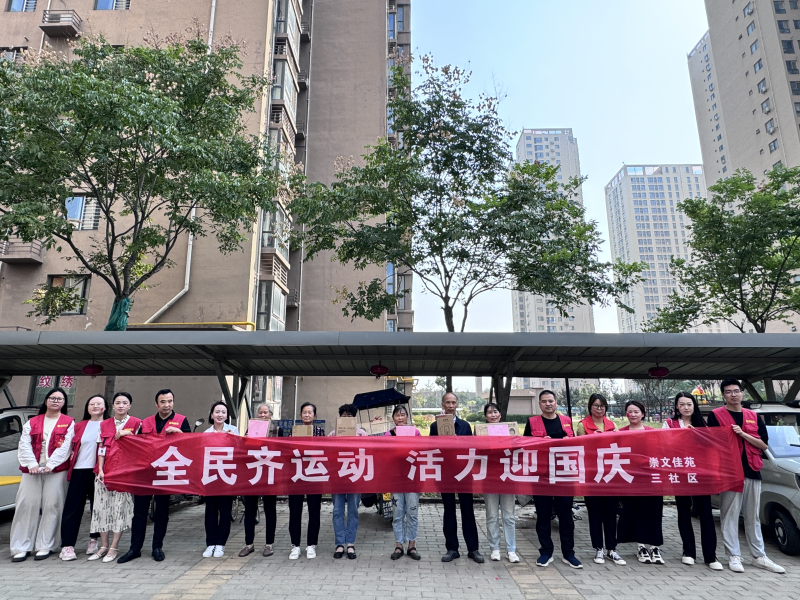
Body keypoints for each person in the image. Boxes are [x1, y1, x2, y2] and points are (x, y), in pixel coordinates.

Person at [707, 379, 785, 574]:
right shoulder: (716, 415)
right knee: (729, 515)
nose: (733, 395)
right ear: (723, 395)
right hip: (729, 472)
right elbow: (711, 444)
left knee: (753, 516)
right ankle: (734, 556)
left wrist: (742, 434)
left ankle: (759, 556)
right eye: (728, 392)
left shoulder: (753, 416)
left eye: (736, 391)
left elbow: (763, 445)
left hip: (752, 470)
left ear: (742, 393)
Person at [117, 389, 191, 563]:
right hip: (145, 472)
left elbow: (190, 444)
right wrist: (124, 435)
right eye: (163, 402)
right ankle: (135, 548)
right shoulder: (146, 422)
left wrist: (180, 434)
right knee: (140, 512)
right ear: (156, 404)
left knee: (162, 511)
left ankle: (157, 547)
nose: (167, 405)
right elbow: (137, 445)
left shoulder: (181, 421)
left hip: (166, 472)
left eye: (170, 401)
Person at [10, 387, 75, 562]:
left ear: (64, 403)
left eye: (60, 399)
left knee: (52, 505)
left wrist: (51, 465)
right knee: (26, 505)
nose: (55, 401)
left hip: (56, 470)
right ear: (46, 400)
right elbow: (24, 444)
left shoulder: (69, 422)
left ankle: (46, 544)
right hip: (31, 470)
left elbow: (66, 446)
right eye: (52, 398)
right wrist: (32, 464)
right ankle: (21, 546)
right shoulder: (32, 422)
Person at [662, 392, 722, 571]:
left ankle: (710, 555)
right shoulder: (669, 424)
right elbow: (663, 445)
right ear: (677, 407)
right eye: (682, 404)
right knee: (683, 511)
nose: (686, 407)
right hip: (679, 473)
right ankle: (688, 551)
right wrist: (681, 435)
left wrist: (698, 435)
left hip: (700, 474)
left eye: (689, 404)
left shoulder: (703, 424)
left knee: (705, 513)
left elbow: (712, 446)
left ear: (694, 405)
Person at [524, 389, 581, 569]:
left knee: (566, 516)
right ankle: (546, 552)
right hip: (542, 475)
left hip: (564, 475)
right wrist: (540, 442)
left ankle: (568, 553)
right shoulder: (532, 422)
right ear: (539, 404)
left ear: (556, 403)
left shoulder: (566, 421)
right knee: (543, 515)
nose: (548, 404)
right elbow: (524, 446)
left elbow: (576, 445)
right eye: (544, 401)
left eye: (551, 401)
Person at [430, 392, 484, 564]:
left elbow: (471, 448)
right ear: (443, 404)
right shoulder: (434, 426)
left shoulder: (465, 425)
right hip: (445, 472)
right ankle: (452, 548)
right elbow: (430, 448)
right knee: (449, 510)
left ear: (457, 405)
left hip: (464, 472)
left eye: (453, 402)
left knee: (467, 510)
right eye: (448, 402)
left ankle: (473, 549)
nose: (451, 406)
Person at [576, 393, 625, 566]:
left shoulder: (612, 424)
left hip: (610, 474)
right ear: (590, 407)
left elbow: (619, 446)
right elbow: (580, 447)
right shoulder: (582, 425)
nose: (599, 409)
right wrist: (593, 438)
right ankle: (598, 548)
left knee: (611, 513)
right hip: (592, 476)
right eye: (596, 406)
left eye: (602, 406)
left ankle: (612, 548)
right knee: (595, 514)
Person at [92, 391, 141, 563]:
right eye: (118, 402)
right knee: (101, 509)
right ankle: (103, 546)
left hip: (124, 473)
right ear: (112, 406)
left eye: (125, 403)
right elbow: (101, 448)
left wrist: (128, 434)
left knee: (119, 509)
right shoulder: (104, 424)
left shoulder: (137, 423)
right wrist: (100, 469)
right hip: (104, 472)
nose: (121, 405)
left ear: (130, 405)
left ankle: (114, 547)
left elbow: (142, 446)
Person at [59, 395, 108, 561]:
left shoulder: (109, 425)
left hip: (100, 472)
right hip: (79, 469)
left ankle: (94, 540)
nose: (95, 406)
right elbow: (67, 447)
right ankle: (67, 545)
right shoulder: (78, 426)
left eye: (99, 403)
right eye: (91, 403)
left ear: (105, 407)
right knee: (73, 508)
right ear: (87, 407)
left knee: (98, 508)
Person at [616, 400, 664, 565]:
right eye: (630, 411)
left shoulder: (653, 433)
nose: (633, 414)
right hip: (631, 480)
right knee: (636, 512)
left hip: (652, 479)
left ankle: (655, 547)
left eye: (636, 411)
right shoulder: (619, 433)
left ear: (643, 414)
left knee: (654, 512)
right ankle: (641, 546)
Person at [279, 402, 326, 560]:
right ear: (300, 415)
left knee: (314, 511)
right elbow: (287, 452)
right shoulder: (293, 432)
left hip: (314, 475)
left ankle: (311, 545)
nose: (307, 415)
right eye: (304, 412)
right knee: (294, 511)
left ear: (314, 415)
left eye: (310, 412)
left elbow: (324, 451)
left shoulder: (320, 432)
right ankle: (295, 545)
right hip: (296, 475)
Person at [328, 404, 367, 559]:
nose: (346, 417)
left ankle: (350, 543)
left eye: (349, 415)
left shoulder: (361, 434)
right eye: (343, 415)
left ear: (354, 418)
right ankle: (339, 543)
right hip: (337, 478)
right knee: (337, 511)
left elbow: (369, 453)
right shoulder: (332, 434)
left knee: (353, 511)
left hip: (354, 477)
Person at [482, 403, 519, 563]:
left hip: (507, 476)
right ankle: (495, 548)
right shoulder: (480, 432)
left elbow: (518, 450)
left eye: (495, 411)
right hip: (489, 477)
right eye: (489, 412)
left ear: (500, 414)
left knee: (509, 516)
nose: (493, 415)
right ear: (485, 416)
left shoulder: (510, 430)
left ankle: (511, 550)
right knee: (491, 515)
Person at [240, 403, 278, 558]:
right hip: (253, 474)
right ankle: (249, 544)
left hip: (270, 473)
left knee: (270, 510)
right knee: (250, 510)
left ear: (271, 414)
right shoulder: (250, 429)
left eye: (265, 412)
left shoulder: (277, 430)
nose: (263, 415)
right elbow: (243, 448)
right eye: (260, 412)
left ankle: (269, 544)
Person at [384, 405, 421, 561]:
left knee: (412, 513)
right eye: (397, 415)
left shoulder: (415, 432)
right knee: (397, 513)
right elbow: (384, 454)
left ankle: (412, 545)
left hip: (412, 478)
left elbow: (421, 451)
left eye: (403, 414)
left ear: (407, 417)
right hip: (395, 479)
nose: (400, 418)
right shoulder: (388, 434)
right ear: (393, 418)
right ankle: (398, 545)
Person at [202, 402, 238, 558]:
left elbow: (239, 451)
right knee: (210, 511)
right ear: (212, 414)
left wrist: (233, 439)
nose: (220, 415)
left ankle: (220, 544)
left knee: (225, 510)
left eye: (223, 412)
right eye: (217, 411)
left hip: (227, 476)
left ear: (227, 415)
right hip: (210, 476)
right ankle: (210, 543)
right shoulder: (206, 433)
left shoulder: (233, 430)